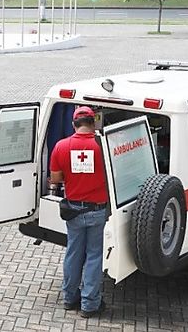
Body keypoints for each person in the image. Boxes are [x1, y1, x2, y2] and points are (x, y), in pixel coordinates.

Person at [49, 106, 108, 318]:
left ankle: (69, 297)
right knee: (94, 256)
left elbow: (55, 179)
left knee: (73, 253)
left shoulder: (61, 146)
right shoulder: (103, 146)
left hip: (73, 211)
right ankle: (90, 305)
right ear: (94, 123)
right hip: (98, 210)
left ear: (74, 124)